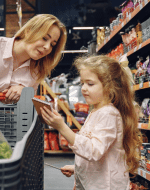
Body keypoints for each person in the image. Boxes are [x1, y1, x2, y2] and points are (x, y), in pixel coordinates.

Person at [40, 55, 142, 190]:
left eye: (90, 84)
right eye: (82, 83)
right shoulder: (96, 111)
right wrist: (78, 168)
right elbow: (95, 152)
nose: (83, 88)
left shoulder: (108, 114)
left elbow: (94, 151)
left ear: (109, 87)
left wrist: (62, 127)